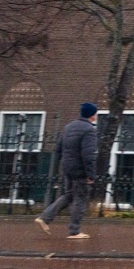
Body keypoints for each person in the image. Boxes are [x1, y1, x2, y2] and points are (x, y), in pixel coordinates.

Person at [35, 102, 98, 239]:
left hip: (67, 168)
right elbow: (89, 155)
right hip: (80, 170)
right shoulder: (89, 130)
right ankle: (75, 231)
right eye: (96, 113)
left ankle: (45, 218)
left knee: (69, 195)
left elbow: (58, 150)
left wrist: (62, 166)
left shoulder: (68, 127)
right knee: (80, 198)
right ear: (92, 115)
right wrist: (91, 175)